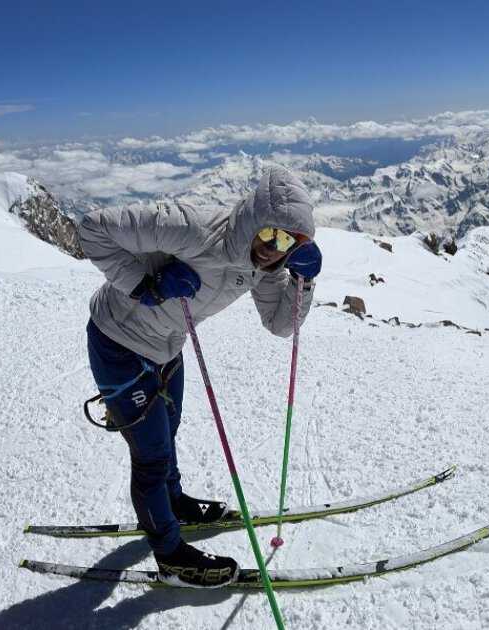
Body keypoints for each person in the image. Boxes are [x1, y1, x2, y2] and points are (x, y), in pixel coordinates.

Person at [77, 165, 323, 588]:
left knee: (168, 431)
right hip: (117, 342)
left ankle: (174, 504)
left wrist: (305, 279)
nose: (274, 249)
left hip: (168, 346)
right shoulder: (190, 228)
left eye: (289, 243)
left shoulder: (265, 267)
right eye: (270, 235)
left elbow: (281, 324)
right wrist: (144, 284)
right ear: (253, 221)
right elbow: (92, 230)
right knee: (151, 456)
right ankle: (171, 556)